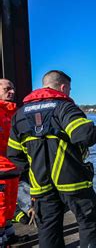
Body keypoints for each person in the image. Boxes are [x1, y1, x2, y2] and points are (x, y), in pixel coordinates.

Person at [7, 70, 96, 248]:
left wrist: (32, 178)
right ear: (63, 87)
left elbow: (14, 156)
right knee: (90, 225)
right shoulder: (64, 107)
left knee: (48, 231)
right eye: (69, 89)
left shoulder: (19, 115)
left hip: (41, 187)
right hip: (74, 183)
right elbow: (84, 135)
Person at [0, 79, 20, 246]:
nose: (12, 92)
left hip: (13, 166)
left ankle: (9, 233)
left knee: (10, 201)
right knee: (0, 203)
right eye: (7, 89)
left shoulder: (14, 113)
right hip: (1, 167)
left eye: (13, 89)